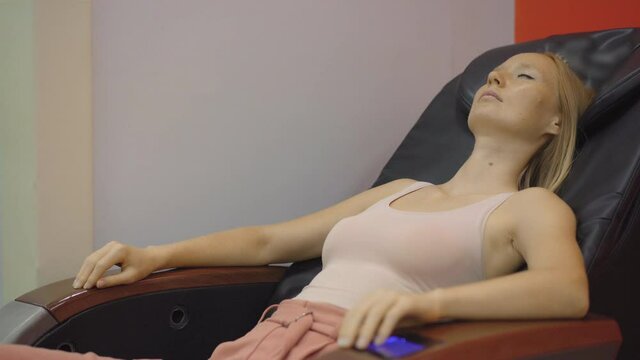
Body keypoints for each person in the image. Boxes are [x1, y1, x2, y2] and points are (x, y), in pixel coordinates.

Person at [0, 51, 595, 359]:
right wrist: (157, 254)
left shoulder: (529, 208)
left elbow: (565, 291)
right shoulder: (400, 191)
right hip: (258, 343)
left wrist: (425, 309)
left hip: (354, 349)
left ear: (554, 121)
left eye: (522, 78)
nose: (496, 79)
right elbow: (269, 242)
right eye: (494, 73)